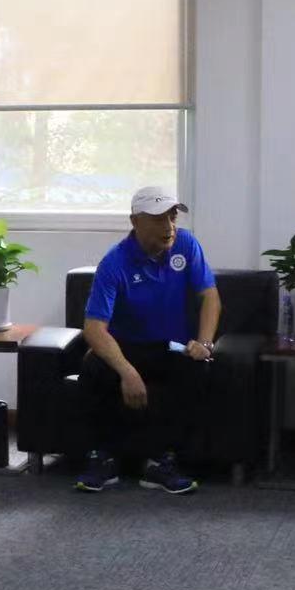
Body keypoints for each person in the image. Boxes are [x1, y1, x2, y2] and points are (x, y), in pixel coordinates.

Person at [75, 186, 219, 495]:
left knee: (196, 368)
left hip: (171, 346)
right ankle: (102, 458)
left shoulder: (186, 245)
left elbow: (210, 297)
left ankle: (160, 462)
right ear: (135, 222)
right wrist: (127, 372)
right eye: (158, 219)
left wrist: (204, 343)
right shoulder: (114, 262)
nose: (169, 227)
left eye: (172, 217)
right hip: (125, 346)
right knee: (93, 364)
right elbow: (94, 328)